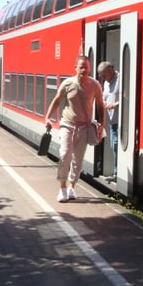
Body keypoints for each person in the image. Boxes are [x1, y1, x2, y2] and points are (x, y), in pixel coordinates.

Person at [43, 55, 104, 202]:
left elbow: (100, 104)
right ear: (75, 68)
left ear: (90, 69)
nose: (84, 70)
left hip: (84, 127)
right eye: (81, 67)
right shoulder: (68, 83)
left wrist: (102, 123)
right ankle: (62, 188)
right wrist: (47, 117)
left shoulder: (95, 85)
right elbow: (57, 100)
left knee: (78, 160)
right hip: (67, 125)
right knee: (65, 155)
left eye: (86, 67)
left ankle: (72, 187)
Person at [97, 61, 119, 182]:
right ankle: (116, 172)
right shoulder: (106, 83)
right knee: (113, 146)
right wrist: (107, 105)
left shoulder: (121, 78)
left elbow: (127, 97)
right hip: (112, 121)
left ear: (111, 69)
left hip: (122, 121)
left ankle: (117, 174)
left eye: (104, 75)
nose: (104, 78)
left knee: (116, 146)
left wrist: (116, 105)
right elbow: (103, 100)